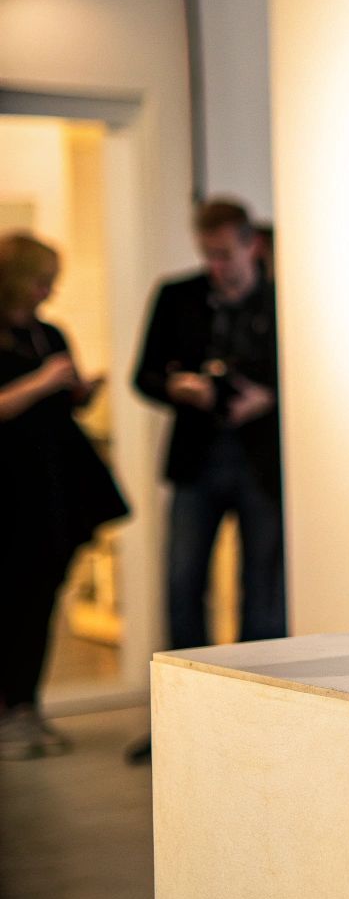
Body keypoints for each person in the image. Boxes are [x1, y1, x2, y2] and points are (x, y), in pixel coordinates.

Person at [134, 198, 285, 655]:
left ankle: (255, 697)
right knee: (183, 582)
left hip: (262, 461)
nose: (216, 266)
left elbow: (310, 376)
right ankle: (185, 701)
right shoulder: (178, 296)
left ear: (251, 245)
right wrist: (179, 388)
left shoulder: (282, 300)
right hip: (196, 458)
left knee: (262, 588)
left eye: (225, 254)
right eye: (208, 255)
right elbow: (145, 375)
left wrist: (269, 399)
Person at [0, 231, 129, 760]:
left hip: (51, 488)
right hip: (8, 489)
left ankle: (26, 706)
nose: (47, 291)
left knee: (41, 597)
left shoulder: (49, 332)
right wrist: (41, 382)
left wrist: (77, 391)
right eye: (40, 280)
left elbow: (63, 404)